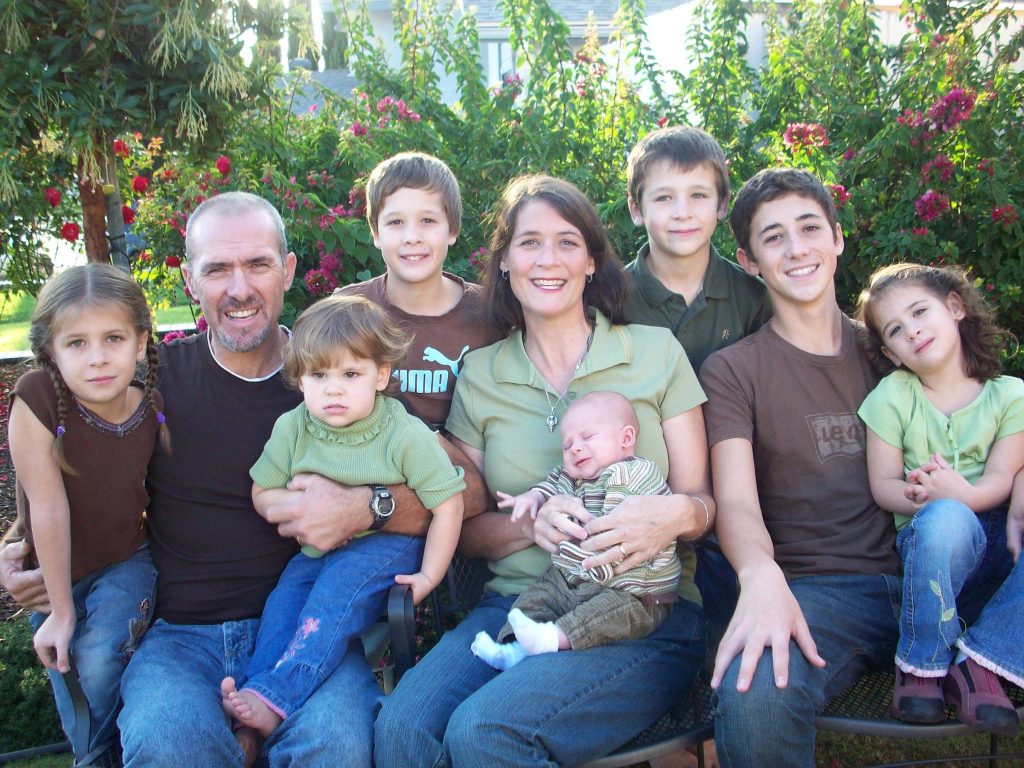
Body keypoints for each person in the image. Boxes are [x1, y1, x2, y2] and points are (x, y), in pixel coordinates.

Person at [1, 191, 485, 768]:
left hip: (309, 635)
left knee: (337, 744)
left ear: (287, 271)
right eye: (217, 269)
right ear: (188, 280)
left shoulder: (340, 377)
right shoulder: (153, 387)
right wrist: (20, 544)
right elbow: (83, 478)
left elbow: (470, 491)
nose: (238, 289)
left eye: (257, 264)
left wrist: (368, 507)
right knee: (169, 741)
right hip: (182, 638)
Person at [375, 175, 714, 767]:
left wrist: (673, 514)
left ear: (590, 262)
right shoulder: (481, 373)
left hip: (641, 614)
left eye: (566, 242)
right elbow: (468, 526)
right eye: (529, 242)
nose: (548, 259)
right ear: (505, 261)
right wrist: (532, 525)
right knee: (402, 729)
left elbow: (705, 505)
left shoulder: (655, 353)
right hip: (517, 604)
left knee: (485, 732)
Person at [699, 169, 903, 768]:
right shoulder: (733, 370)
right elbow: (734, 500)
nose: (797, 249)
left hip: (930, 577)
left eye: (810, 228)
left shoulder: (894, 350)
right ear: (749, 260)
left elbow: (986, 419)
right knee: (756, 690)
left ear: (837, 239)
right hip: (814, 591)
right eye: (774, 237)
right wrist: (761, 577)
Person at [221, 294, 466, 740]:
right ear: (299, 380)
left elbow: (448, 503)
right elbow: (262, 489)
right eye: (319, 375)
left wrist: (430, 574)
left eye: (350, 374)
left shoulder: (403, 433)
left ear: (381, 375)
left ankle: (280, 694)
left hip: (387, 546)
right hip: (316, 551)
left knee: (332, 599)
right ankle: (256, 698)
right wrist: (291, 509)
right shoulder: (294, 427)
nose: (333, 389)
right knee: (282, 606)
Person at [6, 263, 168, 767]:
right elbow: (46, 506)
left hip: (125, 560)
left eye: (114, 338)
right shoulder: (38, 401)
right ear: (51, 351)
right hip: (57, 569)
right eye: (76, 343)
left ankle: (105, 751)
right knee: (68, 663)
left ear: (140, 343)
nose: (97, 359)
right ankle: (93, 754)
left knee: (99, 660)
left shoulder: (152, 408)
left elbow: (163, 489)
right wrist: (60, 608)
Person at [856, 263, 1024, 730]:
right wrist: (929, 497)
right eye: (896, 330)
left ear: (955, 307)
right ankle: (921, 663)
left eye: (919, 311)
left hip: (999, 549)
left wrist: (961, 493)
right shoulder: (893, 396)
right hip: (932, 548)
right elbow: (882, 484)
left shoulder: (1011, 397)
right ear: (890, 353)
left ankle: (983, 661)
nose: (913, 331)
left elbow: (1002, 479)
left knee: (960, 511)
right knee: (947, 519)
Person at [471, 391, 682, 669]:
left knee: (606, 614)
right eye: (567, 444)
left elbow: (615, 533)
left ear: (626, 439)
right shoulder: (572, 478)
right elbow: (549, 487)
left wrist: (593, 563)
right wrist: (532, 498)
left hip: (634, 590)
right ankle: (514, 649)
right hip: (577, 580)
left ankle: (553, 638)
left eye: (587, 437)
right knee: (538, 595)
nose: (574, 449)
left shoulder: (634, 474)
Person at [338, 152, 500, 431]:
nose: (412, 237)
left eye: (427, 220)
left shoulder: (490, 314)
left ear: (452, 230)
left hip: (461, 466)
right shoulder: (347, 311)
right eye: (396, 222)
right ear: (376, 233)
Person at [623, 125, 770, 375]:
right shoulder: (611, 298)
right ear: (636, 208)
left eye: (698, 195)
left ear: (721, 203)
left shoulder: (753, 297)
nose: (683, 213)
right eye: (664, 198)